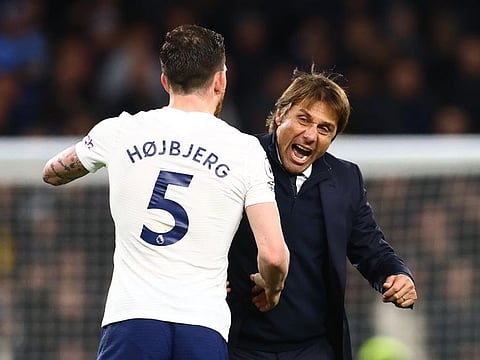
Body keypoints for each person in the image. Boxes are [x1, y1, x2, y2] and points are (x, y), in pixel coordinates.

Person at [42, 24, 290, 360]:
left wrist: (99, 152)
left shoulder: (120, 131)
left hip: (131, 321)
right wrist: (272, 288)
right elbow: (274, 255)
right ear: (220, 81)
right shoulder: (245, 151)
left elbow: (52, 173)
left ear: (164, 81)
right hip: (203, 326)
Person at [227, 67, 417, 360]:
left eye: (324, 128)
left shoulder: (344, 179)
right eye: (303, 119)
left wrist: (397, 274)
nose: (310, 135)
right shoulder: (238, 159)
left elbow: (371, 249)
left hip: (312, 348)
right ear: (280, 115)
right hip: (239, 345)